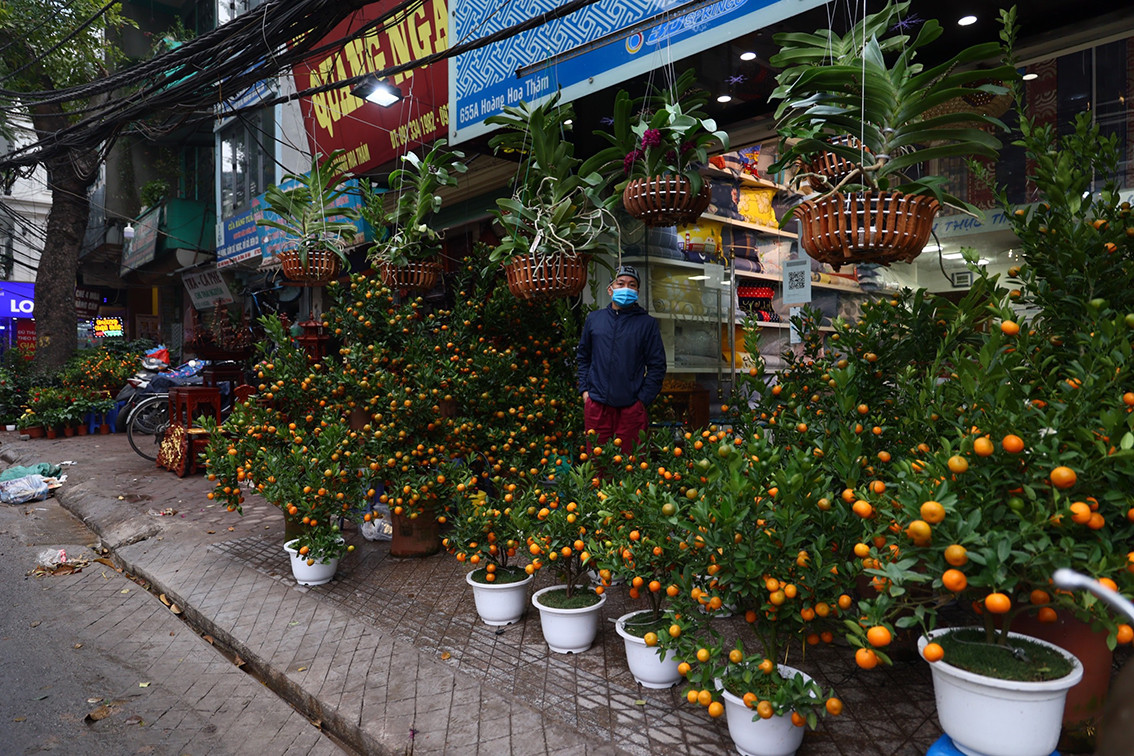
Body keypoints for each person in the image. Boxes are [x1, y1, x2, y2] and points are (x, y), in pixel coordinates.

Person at [576, 264, 667, 453]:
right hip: (597, 407)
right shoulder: (594, 319)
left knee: (631, 465)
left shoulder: (647, 324)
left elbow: (657, 366)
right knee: (598, 463)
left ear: (637, 291)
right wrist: (585, 391)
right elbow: (583, 357)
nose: (626, 288)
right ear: (610, 289)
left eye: (632, 285)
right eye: (621, 283)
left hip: (631, 410)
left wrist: (641, 401)